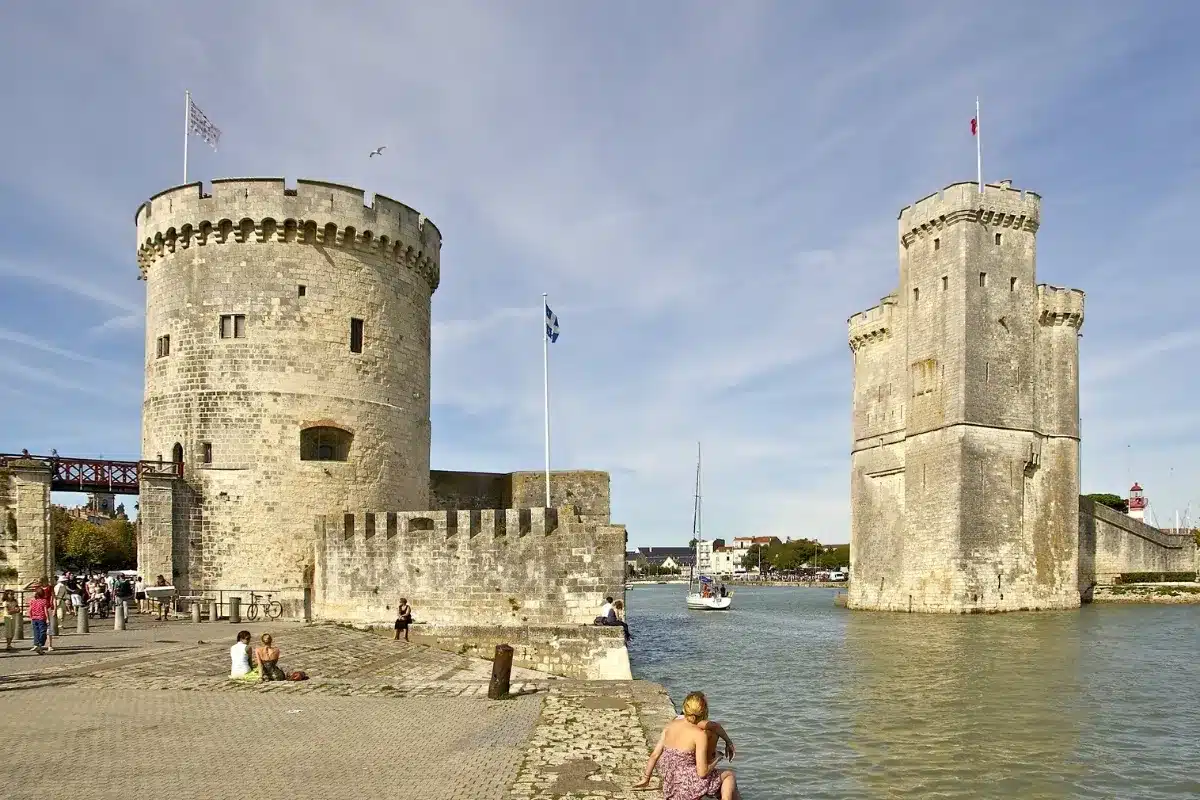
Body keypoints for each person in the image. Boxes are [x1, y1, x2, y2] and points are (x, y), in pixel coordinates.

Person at [634, 691, 739, 800]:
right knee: (729, 776)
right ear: (703, 713)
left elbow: (654, 755)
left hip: (671, 787)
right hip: (688, 789)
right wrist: (717, 758)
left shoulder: (670, 726)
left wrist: (646, 778)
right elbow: (702, 772)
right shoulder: (699, 735)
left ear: (684, 709)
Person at [27, 587, 52, 656]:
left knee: (36, 632)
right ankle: (40, 644)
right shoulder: (44, 601)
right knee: (43, 631)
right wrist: (47, 619)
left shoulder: (32, 601)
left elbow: (30, 609)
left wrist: (31, 616)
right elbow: (45, 611)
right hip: (41, 618)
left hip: (34, 618)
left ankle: (37, 644)